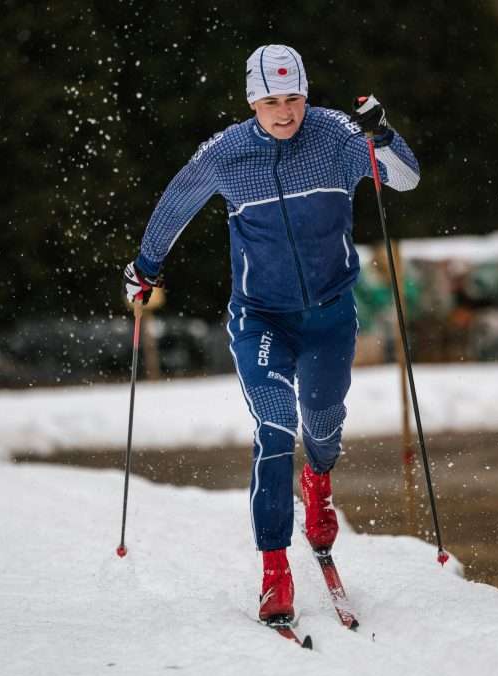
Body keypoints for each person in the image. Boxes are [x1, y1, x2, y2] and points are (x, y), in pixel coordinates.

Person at [122, 45, 420, 624]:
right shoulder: (228, 153)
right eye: (270, 101)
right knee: (276, 425)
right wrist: (146, 264)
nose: (284, 113)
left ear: (305, 94)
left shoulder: (336, 136)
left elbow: (405, 180)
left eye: (292, 99)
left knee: (325, 423)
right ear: (251, 102)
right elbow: (176, 203)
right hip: (261, 317)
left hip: (331, 315)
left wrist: (381, 134)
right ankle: (274, 569)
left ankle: (319, 479)